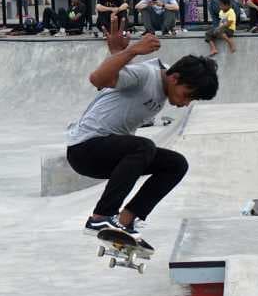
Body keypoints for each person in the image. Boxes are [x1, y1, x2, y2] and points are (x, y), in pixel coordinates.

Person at [66, 32, 218, 246]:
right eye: (187, 95)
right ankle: (100, 218)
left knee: (175, 164)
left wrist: (117, 54)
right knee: (144, 146)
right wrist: (131, 51)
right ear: (174, 79)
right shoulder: (147, 75)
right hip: (85, 149)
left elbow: (118, 82)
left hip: (108, 153)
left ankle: (125, 221)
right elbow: (97, 79)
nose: (186, 104)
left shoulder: (165, 77)